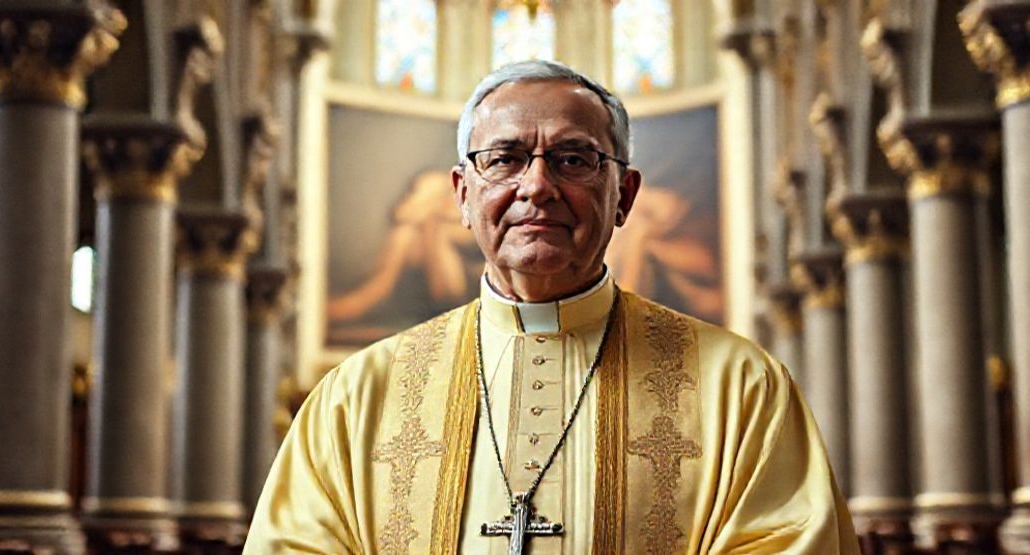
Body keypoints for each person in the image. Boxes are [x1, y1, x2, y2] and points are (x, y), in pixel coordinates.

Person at [245, 60, 858, 554]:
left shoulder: (742, 388)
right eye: (505, 159)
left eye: (573, 159)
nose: (536, 187)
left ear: (624, 195)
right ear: (463, 193)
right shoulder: (356, 398)